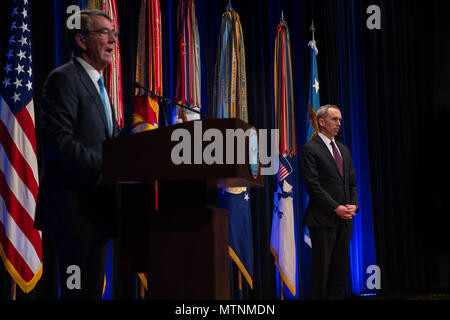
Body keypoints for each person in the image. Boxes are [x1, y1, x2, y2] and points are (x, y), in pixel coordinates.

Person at [34, 9, 120, 299]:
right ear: (82, 40)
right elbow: (58, 142)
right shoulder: (64, 79)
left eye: (114, 33)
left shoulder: (99, 85)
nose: (113, 40)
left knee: (91, 292)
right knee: (77, 294)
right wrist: (108, 167)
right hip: (73, 213)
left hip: (97, 211)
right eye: (104, 33)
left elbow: (110, 139)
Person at [300, 104, 359, 300]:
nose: (339, 123)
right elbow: (313, 186)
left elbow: (351, 182)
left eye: (340, 120)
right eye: (335, 119)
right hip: (322, 220)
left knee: (339, 273)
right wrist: (335, 208)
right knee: (321, 273)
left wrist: (354, 205)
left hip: (344, 220)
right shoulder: (310, 149)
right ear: (321, 122)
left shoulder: (343, 149)